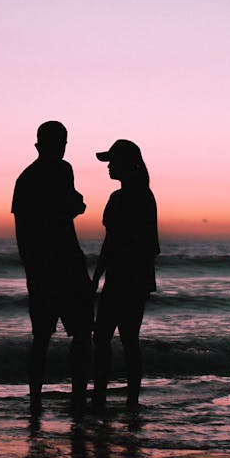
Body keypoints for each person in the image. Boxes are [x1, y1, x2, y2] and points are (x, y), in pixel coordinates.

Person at [12, 121, 93, 415]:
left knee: (45, 338)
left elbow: (23, 230)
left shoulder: (27, 178)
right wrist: (75, 205)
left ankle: (37, 400)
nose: (62, 148)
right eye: (60, 143)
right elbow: (70, 206)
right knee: (80, 335)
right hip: (65, 264)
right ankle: (76, 398)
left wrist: (31, 270)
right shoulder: (60, 169)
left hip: (45, 268)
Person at [91, 139, 160, 411]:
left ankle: (108, 400)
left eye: (112, 161)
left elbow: (123, 243)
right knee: (123, 339)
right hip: (129, 278)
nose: (108, 166)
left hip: (126, 279)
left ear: (125, 163)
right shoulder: (133, 196)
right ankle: (123, 400)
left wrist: (100, 276)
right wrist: (99, 276)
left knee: (112, 339)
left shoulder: (134, 197)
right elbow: (114, 242)